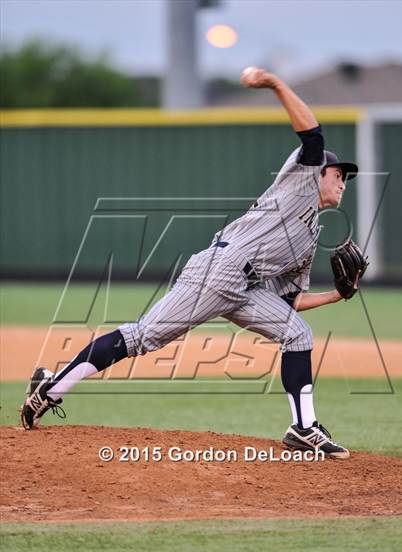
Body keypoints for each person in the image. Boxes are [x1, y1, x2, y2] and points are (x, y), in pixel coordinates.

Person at [21, 68, 360, 459]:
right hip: (219, 271)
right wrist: (276, 84)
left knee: (297, 334)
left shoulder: (311, 236)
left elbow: (288, 302)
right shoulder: (299, 183)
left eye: (346, 178)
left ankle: (303, 429)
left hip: (244, 290)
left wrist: (337, 295)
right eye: (338, 174)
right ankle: (51, 389)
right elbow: (313, 136)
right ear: (318, 174)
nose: (342, 182)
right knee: (142, 337)